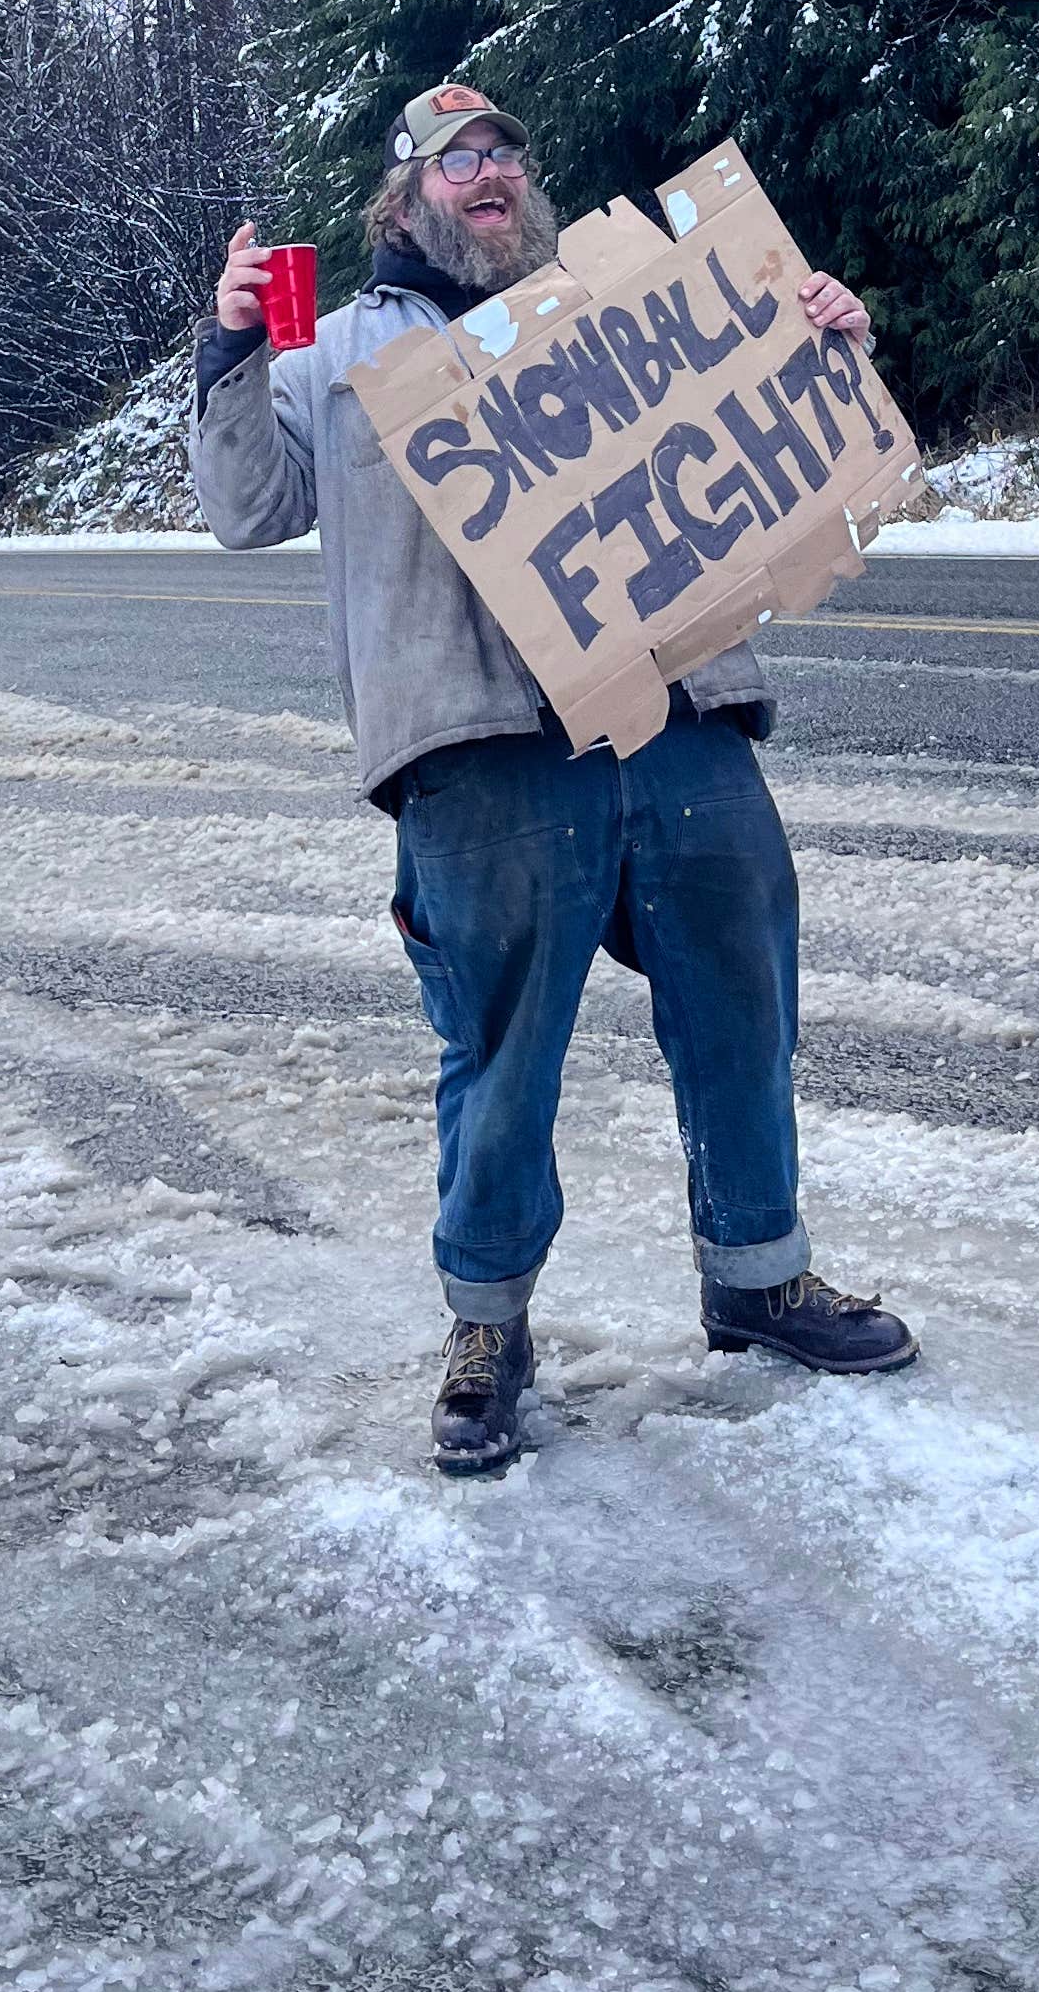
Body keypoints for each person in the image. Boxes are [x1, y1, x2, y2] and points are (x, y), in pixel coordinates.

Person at [191, 80, 916, 1475]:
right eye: (455, 162)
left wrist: (823, 340)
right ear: (400, 204)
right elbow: (244, 506)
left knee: (742, 998)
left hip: (678, 706)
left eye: (507, 156)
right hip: (479, 746)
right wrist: (227, 350)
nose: (490, 177)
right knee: (503, 1052)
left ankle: (759, 1277)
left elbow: (781, 438)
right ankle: (487, 1330)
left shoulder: (619, 312)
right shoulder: (335, 355)